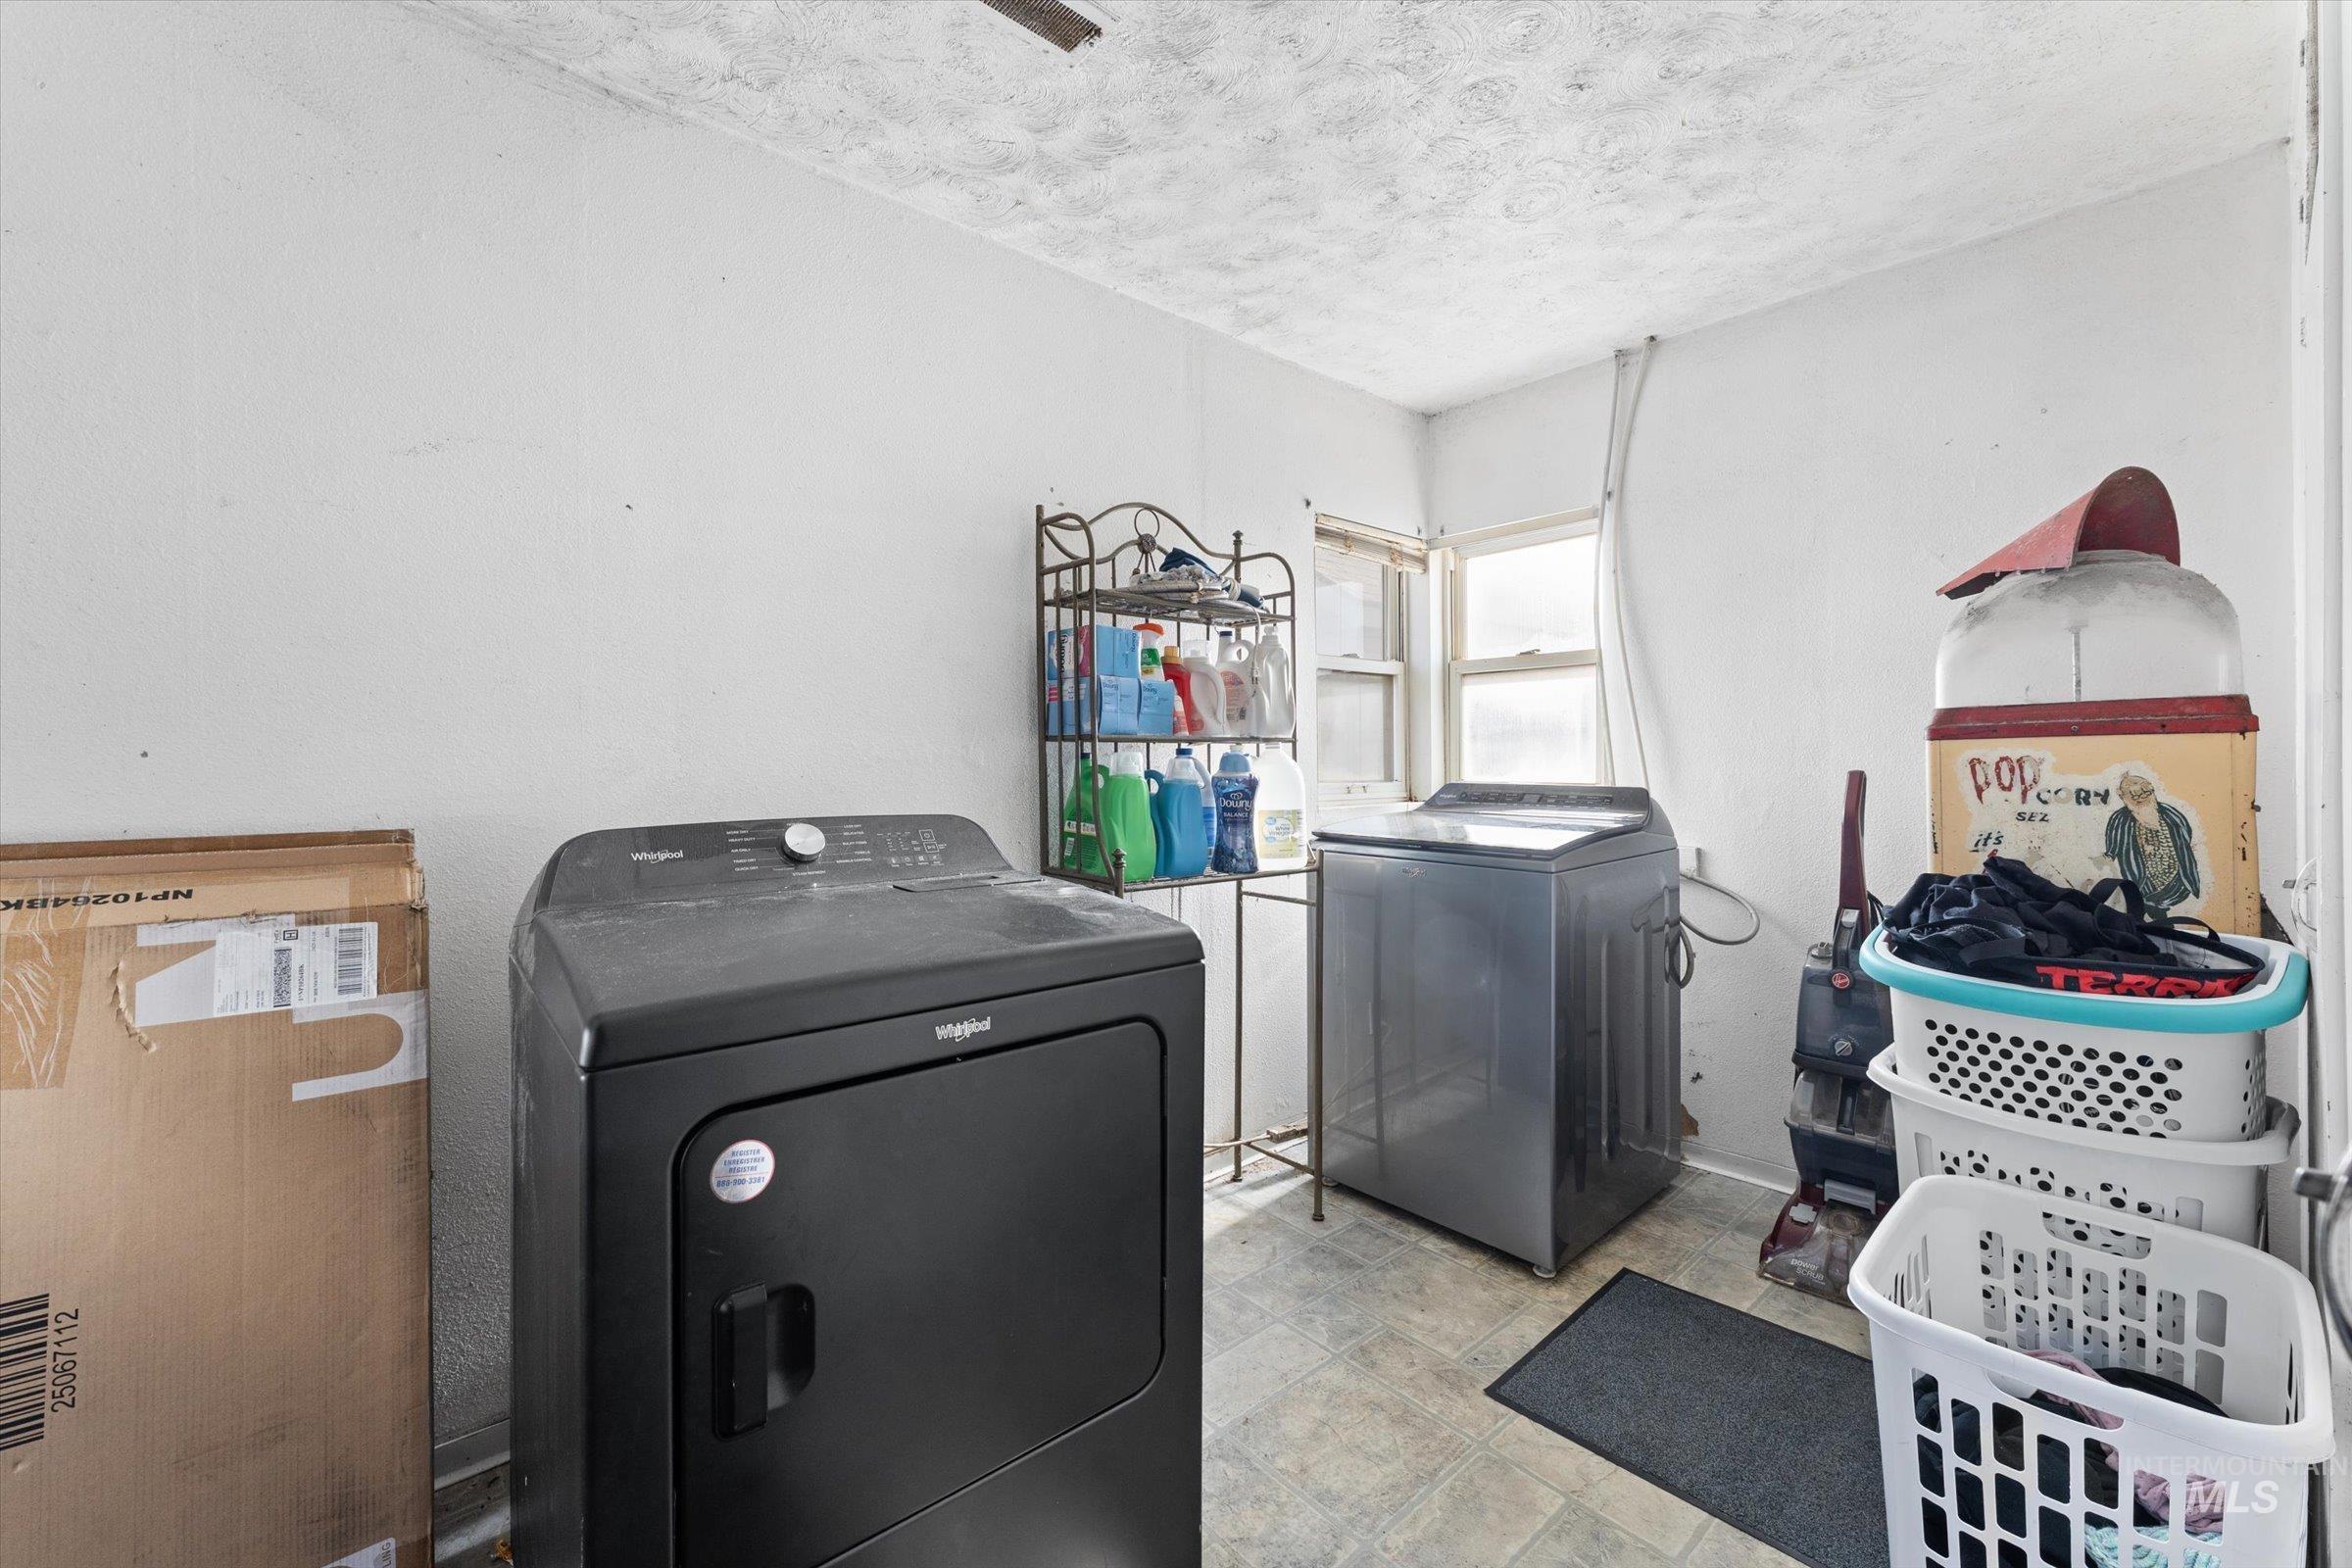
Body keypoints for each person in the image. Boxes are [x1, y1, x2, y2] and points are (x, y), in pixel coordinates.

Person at [2103, 770, 2200, 914]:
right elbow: (2112, 846)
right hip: (2142, 880)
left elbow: (2186, 837)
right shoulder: (2119, 820)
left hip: (2175, 883)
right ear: (2122, 796)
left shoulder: (2171, 814)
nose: (2141, 798)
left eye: (2145, 793)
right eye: (2134, 795)